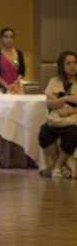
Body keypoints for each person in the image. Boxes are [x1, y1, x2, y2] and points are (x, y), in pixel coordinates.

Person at [38, 50, 77, 179]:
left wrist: (70, 111)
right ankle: (61, 166)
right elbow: (49, 104)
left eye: (75, 63)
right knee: (44, 134)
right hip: (57, 118)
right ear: (62, 66)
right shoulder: (54, 81)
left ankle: (58, 166)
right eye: (68, 63)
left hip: (73, 119)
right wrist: (65, 99)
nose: (72, 66)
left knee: (72, 134)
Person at [0, 28, 25, 93]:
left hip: (16, 88)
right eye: (6, 37)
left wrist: (15, 84)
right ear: (1, 38)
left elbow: (22, 72)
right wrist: (6, 86)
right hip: (1, 89)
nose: (9, 40)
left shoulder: (19, 53)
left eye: (11, 37)